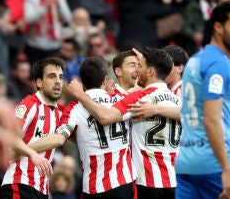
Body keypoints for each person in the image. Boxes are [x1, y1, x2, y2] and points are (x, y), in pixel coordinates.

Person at [68, 47, 181, 199]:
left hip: (148, 182)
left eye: (140, 66)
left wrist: (80, 94)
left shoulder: (138, 98)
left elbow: (105, 117)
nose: (137, 71)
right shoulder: (179, 101)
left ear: (151, 71)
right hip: (176, 180)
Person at [21, 56, 136, 198]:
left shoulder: (73, 109)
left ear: (81, 83)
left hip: (93, 187)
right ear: (105, 80)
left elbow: (59, 138)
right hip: (123, 182)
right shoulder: (122, 98)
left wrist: (23, 150)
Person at [175, 1, 230, 199]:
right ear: (218, 27)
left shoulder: (196, 60)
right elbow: (212, 119)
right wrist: (227, 169)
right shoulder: (219, 64)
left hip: (186, 163)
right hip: (212, 163)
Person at [0, 57, 65, 199]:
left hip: (41, 189)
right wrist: (32, 154)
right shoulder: (29, 104)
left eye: (60, 77)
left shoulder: (62, 112)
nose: (58, 81)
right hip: (19, 183)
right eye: (51, 76)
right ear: (39, 82)